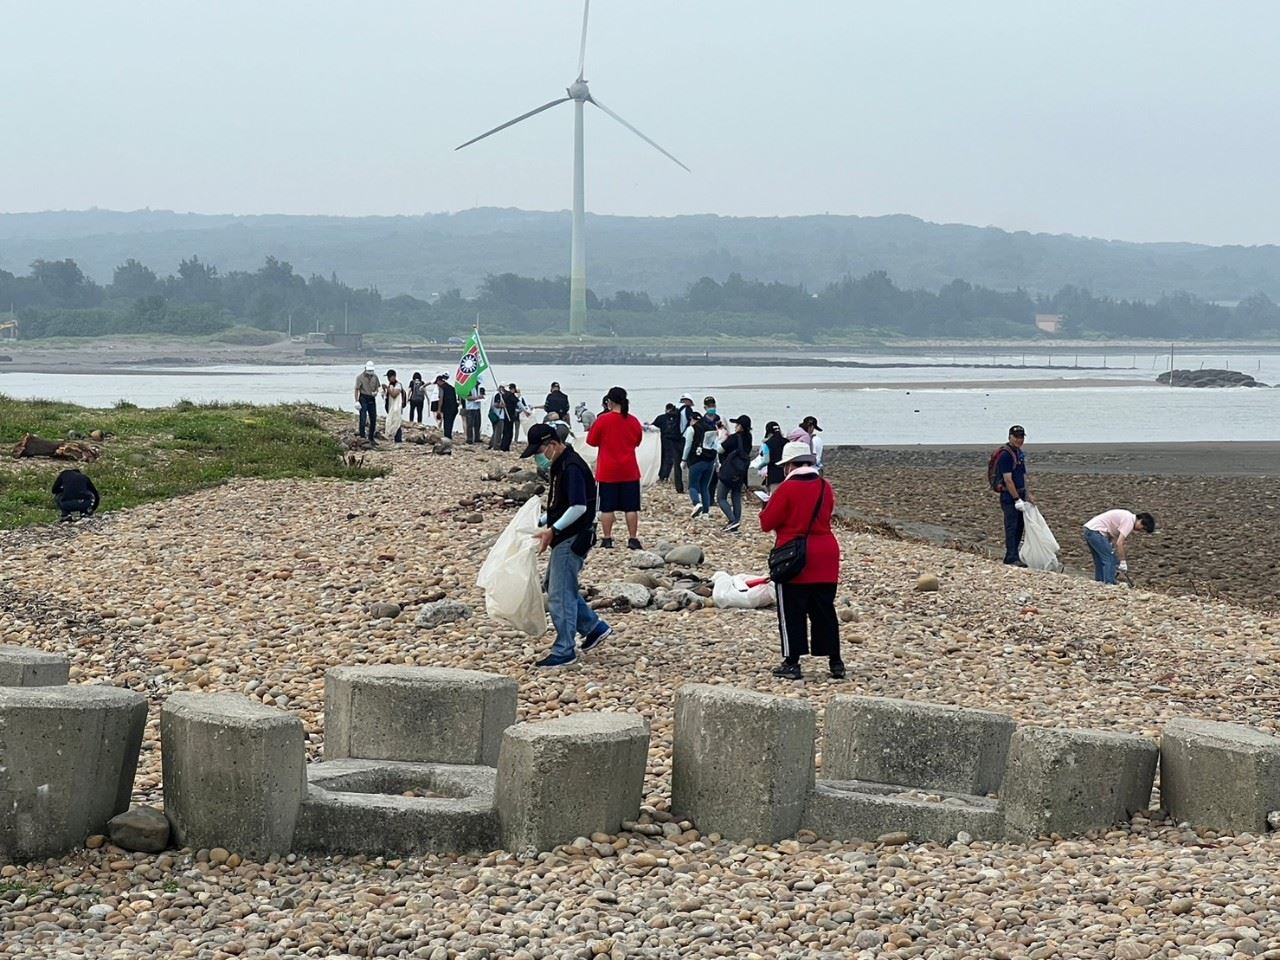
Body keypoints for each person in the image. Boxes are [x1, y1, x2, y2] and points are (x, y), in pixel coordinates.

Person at [521, 422, 612, 668]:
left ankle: (565, 650)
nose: (539, 458)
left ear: (552, 445)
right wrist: (539, 521)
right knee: (555, 585)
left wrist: (553, 530)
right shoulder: (561, 464)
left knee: (560, 594)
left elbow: (579, 507)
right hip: (565, 534)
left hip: (572, 538)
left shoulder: (571, 467)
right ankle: (593, 628)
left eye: (539, 452)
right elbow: (560, 505)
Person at [760, 441, 843, 681]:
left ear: (789, 466)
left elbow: (768, 523)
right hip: (826, 552)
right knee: (825, 609)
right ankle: (835, 662)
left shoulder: (786, 489)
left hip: (795, 554)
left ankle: (792, 662)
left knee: (792, 611)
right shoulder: (824, 487)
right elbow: (826, 514)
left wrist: (766, 506)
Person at [586, 386, 645, 549]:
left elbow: (591, 441)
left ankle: (607, 538)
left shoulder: (603, 420)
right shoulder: (633, 420)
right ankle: (632, 538)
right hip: (629, 469)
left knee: (607, 507)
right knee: (631, 507)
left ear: (609, 402)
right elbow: (637, 441)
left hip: (607, 469)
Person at [1083, 509, 1156, 584]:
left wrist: (1109, 545)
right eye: (1143, 527)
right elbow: (1120, 543)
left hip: (1090, 531)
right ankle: (1109, 583)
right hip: (1096, 532)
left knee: (1100, 559)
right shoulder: (1129, 521)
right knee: (1110, 559)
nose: (1140, 530)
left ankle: (1100, 581)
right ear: (1140, 520)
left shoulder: (1127, 516)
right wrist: (1123, 562)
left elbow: (1111, 529)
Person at [994, 425, 1031, 566]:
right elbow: (1008, 479)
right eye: (1016, 437)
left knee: (1020, 527)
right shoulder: (1006, 455)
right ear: (1010, 437)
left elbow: (1022, 475)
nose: (1019, 440)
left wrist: (1027, 494)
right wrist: (1016, 499)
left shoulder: (1018, 453)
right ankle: (1011, 556)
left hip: (1020, 494)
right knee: (1012, 526)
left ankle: (1013, 554)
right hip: (1009, 497)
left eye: (1021, 437)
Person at [684, 397, 721, 517]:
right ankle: (705, 511)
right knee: (705, 486)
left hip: (696, 460)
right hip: (710, 460)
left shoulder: (692, 428)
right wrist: (717, 461)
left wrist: (683, 459)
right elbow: (716, 445)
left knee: (693, 485)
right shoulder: (714, 427)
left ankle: (696, 503)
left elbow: (688, 446)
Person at [716, 415, 753, 532]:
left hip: (729, 470)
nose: (735, 426)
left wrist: (721, 438)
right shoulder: (749, 438)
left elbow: (720, 449)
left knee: (721, 498)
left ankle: (732, 520)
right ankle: (736, 520)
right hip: (741, 471)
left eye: (737, 424)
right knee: (736, 495)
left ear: (740, 426)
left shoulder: (733, 438)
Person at [652, 403, 683, 485]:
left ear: (666, 409)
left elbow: (653, 427)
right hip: (675, 441)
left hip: (663, 440)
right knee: (671, 459)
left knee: (663, 458)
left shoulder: (661, 418)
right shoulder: (678, 417)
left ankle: (662, 476)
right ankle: (666, 476)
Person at [354, 361, 380, 444]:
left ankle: (371, 437)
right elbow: (357, 389)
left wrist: (376, 392)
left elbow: (377, 388)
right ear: (365, 369)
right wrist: (356, 401)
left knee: (373, 418)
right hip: (363, 398)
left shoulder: (375, 377)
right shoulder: (360, 377)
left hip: (372, 398)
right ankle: (362, 437)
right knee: (363, 417)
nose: (370, 373)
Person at [761, 420, 787, 490]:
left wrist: (759, 467)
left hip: (773, 474)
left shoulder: (767, 444)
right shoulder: (787, 442)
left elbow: (766, 460)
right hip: (786, 474)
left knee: (774, 496)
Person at [382, 369, 405, 443]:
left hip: (397, 407)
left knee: (397, 422)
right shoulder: (390, 385)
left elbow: (394, 394)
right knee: (391, 421)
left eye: (390, 377)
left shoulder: (398, 385)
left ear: (394, 377)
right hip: (391, 407)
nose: (388, 379)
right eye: (388, 377)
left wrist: (387, 388)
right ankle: (393, 437)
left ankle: (398, 440)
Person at [436, 373, 459, 440]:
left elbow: (441, 399)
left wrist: (439, 410)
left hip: (447, 408)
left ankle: (447, 436)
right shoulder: (451, 388)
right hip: (454, 407)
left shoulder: (442, 388)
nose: (437, 384)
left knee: (447, 422)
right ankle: (449, 435)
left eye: (437, 382)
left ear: (440, 381)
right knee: (451, 422)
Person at [500, 382, 520, 451]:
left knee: (505, 431)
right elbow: (518, 403)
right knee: (509, 432)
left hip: (505, 415)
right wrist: (526, 411)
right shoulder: (511, 395)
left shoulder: (504, 395)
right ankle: (506, 447)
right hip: (510, 416)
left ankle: (503, 446)